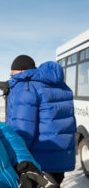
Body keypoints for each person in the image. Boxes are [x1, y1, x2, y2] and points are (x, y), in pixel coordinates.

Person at [6, 55, 77, 185]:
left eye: (12, 73)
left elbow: (22, 130)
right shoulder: (60, 85)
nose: (11, 77)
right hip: (60, 158)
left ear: (22, 71)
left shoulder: (25, 86)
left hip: (37, 163)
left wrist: (14, 159)